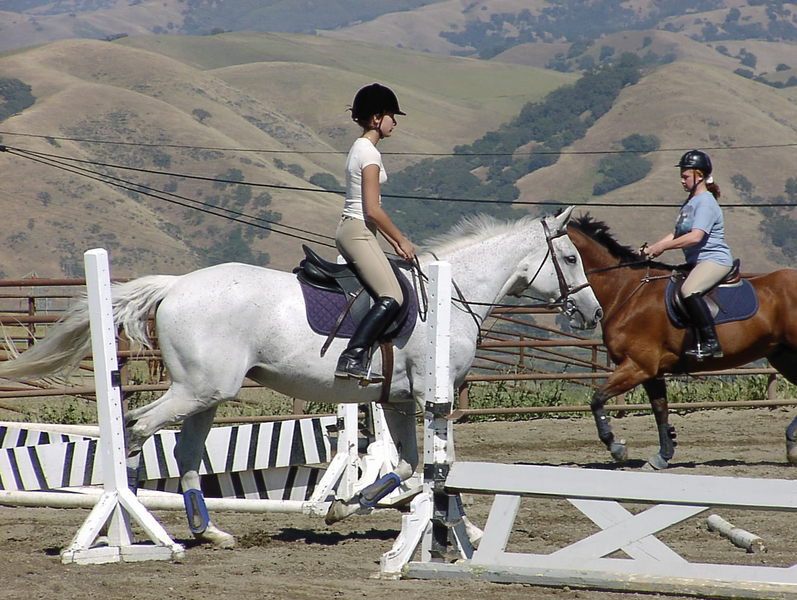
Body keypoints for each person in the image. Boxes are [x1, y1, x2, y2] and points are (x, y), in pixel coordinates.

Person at [334, 83, 416, 382]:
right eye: (392, 115)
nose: (395, 122)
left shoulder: (360, 148)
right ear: (377, 118)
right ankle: (352, 357)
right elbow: (373, 209)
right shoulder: (369, 153)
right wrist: (401, 239)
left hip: (356, 229)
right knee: (392, 294)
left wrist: (393, 242)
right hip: (358, 230)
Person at [640, 149, 734, 360]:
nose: (682, 180)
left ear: (699, 176)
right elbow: (677, 233)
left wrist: (663, 248)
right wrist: (652, 248)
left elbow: (695, 237)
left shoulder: (706, 202)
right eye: (681, 176)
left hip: (714, 260)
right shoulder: (691, 202)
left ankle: (711, 343)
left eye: (685, 176)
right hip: (695, 261)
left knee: (689, 290)